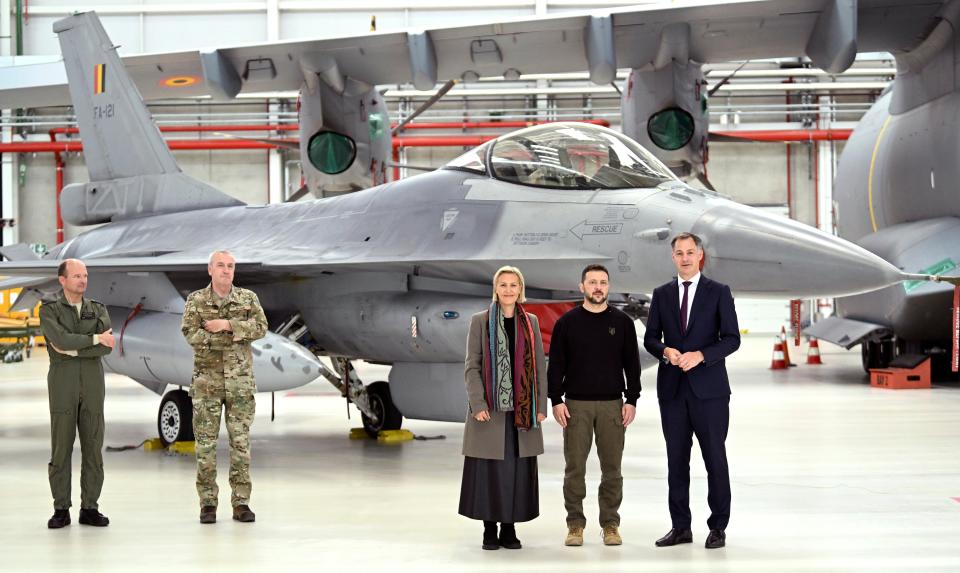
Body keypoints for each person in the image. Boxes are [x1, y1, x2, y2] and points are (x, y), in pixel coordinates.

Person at [643, 232, 740, 549]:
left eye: (690, 252)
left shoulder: (719, 293)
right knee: (676, 462)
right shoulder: (662, 294)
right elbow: (650, 339)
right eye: (679, 253)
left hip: (709, 392)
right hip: (672, 391)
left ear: (700, 255)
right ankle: (680, 527)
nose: (684, 257)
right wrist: (665, 351)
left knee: (715, 459)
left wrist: (702, 355)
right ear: (673, 257)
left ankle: (718, 527)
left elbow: (731, 338)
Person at [548, 264, 640, 547]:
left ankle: (610, 524)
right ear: (582, 287)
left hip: (613, 406)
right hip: (576, 406)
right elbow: (556, 366)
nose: (597, 287)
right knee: (575, 469)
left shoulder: (623, 322)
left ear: (608, 287)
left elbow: (631, 365)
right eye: (592, 282)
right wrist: (556, 400)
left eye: (602, 282)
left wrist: (632, 399)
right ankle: (575, 525)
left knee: (612, 470)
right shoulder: (567, 323)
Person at [460, 266, 548, 550]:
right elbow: (471, 366)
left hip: (523, 410)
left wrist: (540, 405)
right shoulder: (480, 321)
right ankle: (489, 530)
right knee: (490, 471)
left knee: (516, 470)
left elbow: (538, 367)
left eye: (513, 285)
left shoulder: (530, 321)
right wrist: (477, 403)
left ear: (520, 289)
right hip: (490, 410)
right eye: (503, 285)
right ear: (495, 289)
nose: (508, 290)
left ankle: (509, 529)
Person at [181, 250, 267, 524]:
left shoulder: (247, 299)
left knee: (240, 445)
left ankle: (241, 502)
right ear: (210, 270)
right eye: (221, 266)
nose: (226, 270)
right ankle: (208, 504)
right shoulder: (196, 300)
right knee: (205, 447)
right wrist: (231, 337)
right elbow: (190, 334)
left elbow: (261, 327)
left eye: (230, 266)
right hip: (207, 384)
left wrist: (226, 325)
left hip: (240, 385)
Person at [39, 259, 115, 529]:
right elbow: (59, 340)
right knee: (61, 446)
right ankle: (61, 509)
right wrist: (94, 339)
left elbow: (107, 347)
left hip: (93, 381)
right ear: (62, 280)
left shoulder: (98, 308)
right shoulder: (49, 310)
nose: (82, 280)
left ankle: (90, 507)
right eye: (76, 276)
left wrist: (73, 347)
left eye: (85, 275)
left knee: (93, 446)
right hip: (63, 381)